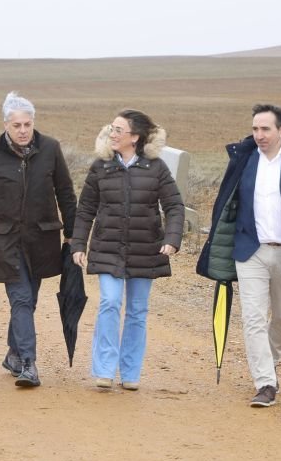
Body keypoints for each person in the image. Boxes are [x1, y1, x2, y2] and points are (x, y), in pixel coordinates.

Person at [196, 104, 281, 407]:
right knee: (254, 318)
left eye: (265, 129)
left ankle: (267, 366)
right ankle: (265, 383)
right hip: (250, 250)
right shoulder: (243, 159)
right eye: (255, 129)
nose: (259, 135)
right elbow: (225, 203)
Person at [0, 92, 76, 388]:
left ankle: (14, 354)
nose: (24, 130)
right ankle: (28, 363)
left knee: (30, 300)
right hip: (6, 240)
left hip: (42, 239)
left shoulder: (50, 149)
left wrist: (73, 234)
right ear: (6, 125)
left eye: (28, 124)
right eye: (17, 125)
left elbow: (65, 192)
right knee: (22, 299)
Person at [70, 109, 184, 391]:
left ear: (135, 137)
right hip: (107, 248)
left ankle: (130, 372)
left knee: (136, 310)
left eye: (119, 130)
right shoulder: (101, 167)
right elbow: (85, 209)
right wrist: (78, 243)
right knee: (109, 303)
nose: (113, 134)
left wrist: (172, 238)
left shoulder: (156, 168)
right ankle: (105, 369)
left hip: (146, 250)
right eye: (112, 128)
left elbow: (174, 206)